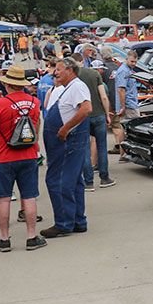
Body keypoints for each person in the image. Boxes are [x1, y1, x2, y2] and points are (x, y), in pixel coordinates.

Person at [0, 65, 46, 252]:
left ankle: (4, 239)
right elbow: (36, 127)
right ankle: (31, 236)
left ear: (8, 84)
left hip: (3, 157)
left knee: (3, 198)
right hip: (28, 155)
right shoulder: (34, 102)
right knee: (29, 196)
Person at [41, 57, 92, 238]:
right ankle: (78, 221)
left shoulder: (77, 86)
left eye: (59, 69)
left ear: (70, 70)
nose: (55, 72)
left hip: (67, 143)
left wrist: (65, 128)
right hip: (64, 143)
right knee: (74, 181)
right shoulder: (68, 88)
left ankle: (64, 223)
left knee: (59, 181)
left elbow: (86, 109)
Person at [76, 55, 115, 191]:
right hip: (98, 114)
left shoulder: (74, 76)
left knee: (85, 148)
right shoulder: (94, 74)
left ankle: (88, 182)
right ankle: (104, 178)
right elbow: (103, 96)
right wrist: (107, 114)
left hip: (83, 115)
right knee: (102, 146)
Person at [113, 51, 140, 162]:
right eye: (132, 61)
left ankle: (124, 154)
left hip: (130, 103)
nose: (134, 63)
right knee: (132, 129)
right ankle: (124, 154)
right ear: (126, 59)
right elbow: (121, 90)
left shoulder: (128, 70)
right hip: (129, 105)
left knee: (125, 130)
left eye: (135, 62)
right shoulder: (123, 71)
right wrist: (123, 106)